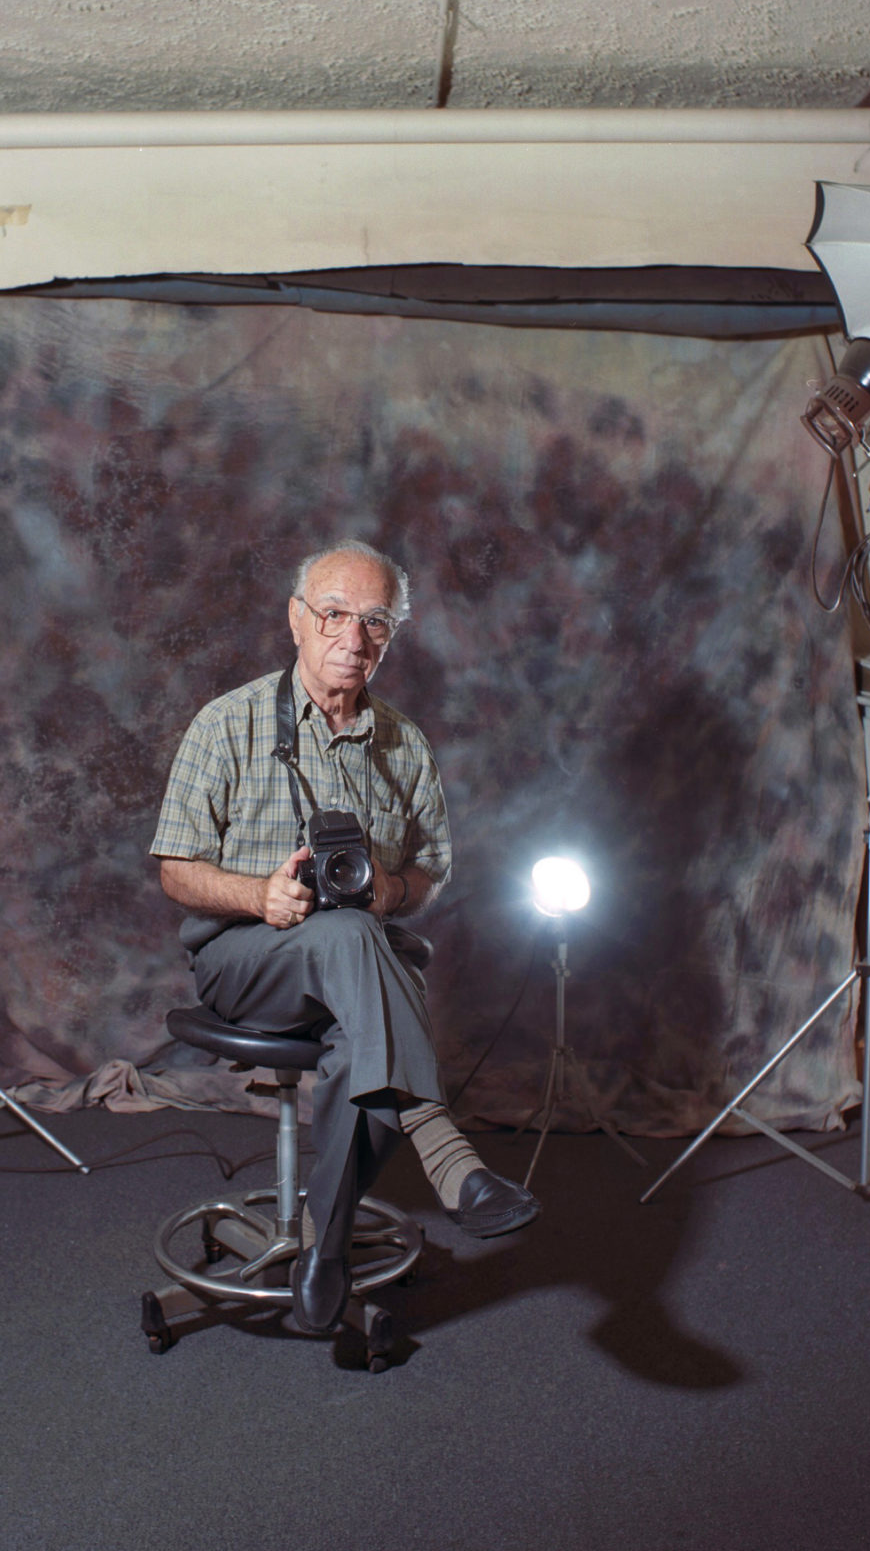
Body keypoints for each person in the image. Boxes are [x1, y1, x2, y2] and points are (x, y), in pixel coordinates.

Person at [150, 540, 539, 1332]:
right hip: (245, 960)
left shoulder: (406, 747)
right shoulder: (227, 724)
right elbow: (175, 871)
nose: (353, 640)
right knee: (354, 941)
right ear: (297, 619)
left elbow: (429, 873)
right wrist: (259, 896)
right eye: (334, 614)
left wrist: (392, 889)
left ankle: (324, 1252)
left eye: (376, 622)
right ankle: (448, 1158)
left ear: (391, 637)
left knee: (359, 957)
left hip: (357, 974)